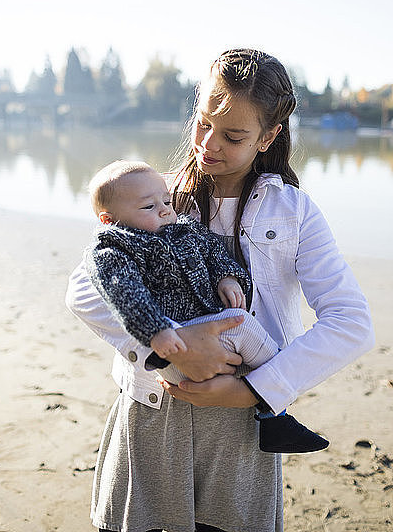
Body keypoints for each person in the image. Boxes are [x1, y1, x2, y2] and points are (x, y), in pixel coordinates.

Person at [66, 48, 374, 532]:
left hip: (243, 423)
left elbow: (351, 323)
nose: (208, 144)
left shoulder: (294, 213)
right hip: (152, 411)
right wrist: (171, 353)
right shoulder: (150, 197)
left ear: (268, 136)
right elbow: (86, 291)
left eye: (232, 135)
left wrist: (257, 389)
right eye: (204, 123)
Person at [84, 159, 329, 453]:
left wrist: (227, 277)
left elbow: (213, 250)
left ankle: (271, 409)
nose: (164, 210)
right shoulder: (113, 249)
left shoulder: (184, 229)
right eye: (148, 207)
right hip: (174, 343)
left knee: (238, 320)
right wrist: (156, 332)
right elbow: (124, 293)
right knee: (242, 326)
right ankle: (275, 411)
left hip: (205, 335)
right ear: (110, 220)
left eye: (166, 201)